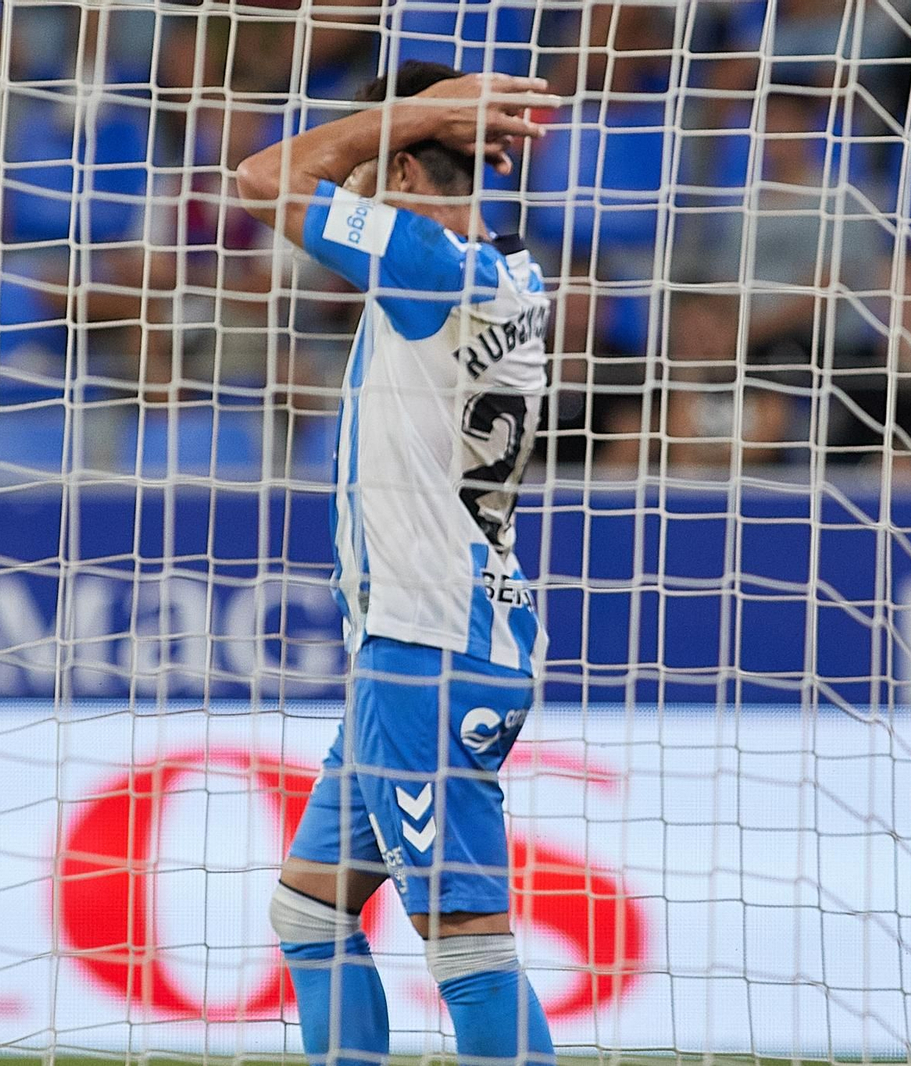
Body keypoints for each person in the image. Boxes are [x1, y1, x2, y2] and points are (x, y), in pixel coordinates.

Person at [235, 61, 558, 1066]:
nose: (355, 196)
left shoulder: (427, 262)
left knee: (464, 942)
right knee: (309, 908)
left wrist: (410, 115)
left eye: (373, 172)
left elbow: (263, 178)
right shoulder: (505, 269)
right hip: (447, 635)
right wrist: (428, 116)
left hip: (427, 650)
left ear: (406, 179)